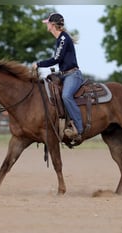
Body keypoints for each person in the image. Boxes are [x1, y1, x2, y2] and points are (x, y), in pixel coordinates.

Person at [32, 13, 84, 142]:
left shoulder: (63, 39)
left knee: (66, 96)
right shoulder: (60, 39)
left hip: (73, 75)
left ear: (53, 25)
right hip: (64, 75)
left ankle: (79, 128)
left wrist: (38, 64)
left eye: (48, 23)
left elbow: (57, 59)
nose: (47, 25)